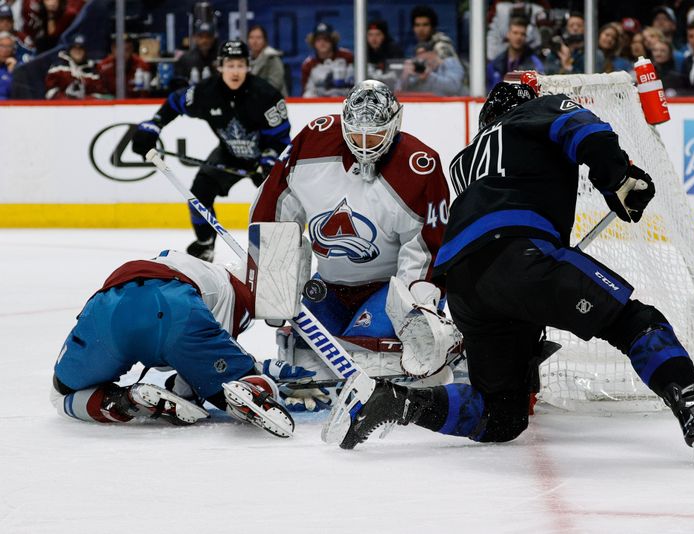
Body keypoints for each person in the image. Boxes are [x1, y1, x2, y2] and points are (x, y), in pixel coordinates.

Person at [329, 76, 694, 467]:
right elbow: (586, 131)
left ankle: (397, 402)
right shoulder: (537, 109)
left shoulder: (466, 158)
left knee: (500, 415)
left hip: (463, 282)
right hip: (521, 254)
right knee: (635, 321)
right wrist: (619, 178)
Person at [250, 79, 452, 390]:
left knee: (375, 355)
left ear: (395, 123)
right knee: (302, 357)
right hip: (328, 286)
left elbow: (427, 249)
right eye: (357, 134)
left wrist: (416, 306)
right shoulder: (312, 143)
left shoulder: (419, 167)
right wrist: (275, 286)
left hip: (386, 289)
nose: (365, 145)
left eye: (376, 136)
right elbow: (275, 205)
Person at [49, 249, 302, 437]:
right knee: (232, 384)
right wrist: (255, 372)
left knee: (60, 393)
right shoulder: (232, 290)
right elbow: (200, 377)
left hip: (109, 306)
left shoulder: (187, 263)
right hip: (173, 304)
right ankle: (257, 388)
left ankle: (127, 400)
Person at [131, 40, 291, 262]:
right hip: (229, 154)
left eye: (240, 65)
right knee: (199, 193)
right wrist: (154, 124)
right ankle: (205, 244)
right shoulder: (206, 92)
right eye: (230, 65)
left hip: (265, 157)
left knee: (276, 203)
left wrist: (271, 158)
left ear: (248, 66)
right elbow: (175, 102)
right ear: (220, 66)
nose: (235, 71)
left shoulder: (267, 96)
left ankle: (278, 251)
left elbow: (282, 138)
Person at [486, 15, 544, 92]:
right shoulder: (495, 65)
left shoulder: (535, 64)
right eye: (515, 33)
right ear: (508, 34)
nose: (518, 37)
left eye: (522, 34)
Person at [300, 22, 354, 97]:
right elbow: (306, 93)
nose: (322, 43)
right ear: (313, 42)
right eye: (318, 40)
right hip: (319, 105)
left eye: (326, 39)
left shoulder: (347, 57)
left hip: (347, 102)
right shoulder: (308, 64)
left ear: (332, 40)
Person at [44, 33, 102, 99]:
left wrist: (82, 100)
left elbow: (97, 94)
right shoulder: (57, 67)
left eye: (80, 48)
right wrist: (68, 101)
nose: (77, 51)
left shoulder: (93, 70)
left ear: (85, 51)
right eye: (75, 48)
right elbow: (50, 92)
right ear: (69, 50)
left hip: (85, 107)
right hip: (62, 107)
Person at [399, 40, 464, 95]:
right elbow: (399, 93)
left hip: (458, 105)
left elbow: (453, 87)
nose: (422, 58)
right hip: (429, 107)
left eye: (424, 55)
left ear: (433, 53)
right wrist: (405, 76)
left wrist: (429, 75)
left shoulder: (450, 63)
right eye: (419, 57)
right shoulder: (419, 70)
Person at [172, 21, 217, 90]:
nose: (204, 40)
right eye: (201, 36)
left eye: (208, 37)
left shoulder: (219, 58)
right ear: (195, 38)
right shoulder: (185, 59)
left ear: (213, 38)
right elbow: (179, 84)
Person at [247, 24, 286, 96]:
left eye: (258, 38)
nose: (254, 41)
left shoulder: (272, 58)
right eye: (251, 37)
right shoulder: (245, 61)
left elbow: (275, 85)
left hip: (274, 102)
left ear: (265, 40)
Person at [0, 30, 14, 99]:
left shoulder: (17, 67)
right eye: (2, 46)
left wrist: (11, 73)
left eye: (9, 46)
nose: (5, 50)